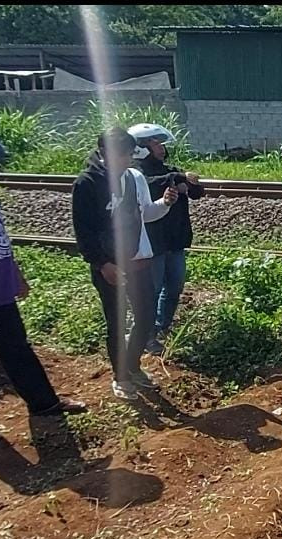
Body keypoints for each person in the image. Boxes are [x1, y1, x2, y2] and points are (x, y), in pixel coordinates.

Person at [71, 127, 178, 400]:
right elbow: (83, 231)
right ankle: (120, 376)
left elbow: (146, 213)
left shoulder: (134, 178)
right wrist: (102, 264)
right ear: (104, 152)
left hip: (137, 259)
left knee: (144, 317)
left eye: (130, 155)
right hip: (109, 266)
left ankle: (133, 366)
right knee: (116, 321)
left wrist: (164, 203)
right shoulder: (88, 183)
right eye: (122, 155)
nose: (127, 160)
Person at [0, 198, 87, 441]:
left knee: (17, 348)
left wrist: (16, 275)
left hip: (0, 293)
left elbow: (2, 244)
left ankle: (43, 404)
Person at [127, 123, 205, 355]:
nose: (160, 147)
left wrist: (189, 185)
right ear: (141, 147)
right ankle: (146, 333)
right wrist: (177, 177)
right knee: (152, 288)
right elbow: (152, 184)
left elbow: (197, 192)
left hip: (175, 239)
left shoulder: (169, 169)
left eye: (160, 143)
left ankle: (162, 326)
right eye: (154, 143)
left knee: (174, 286)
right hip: (154, 242)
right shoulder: (137, 174)